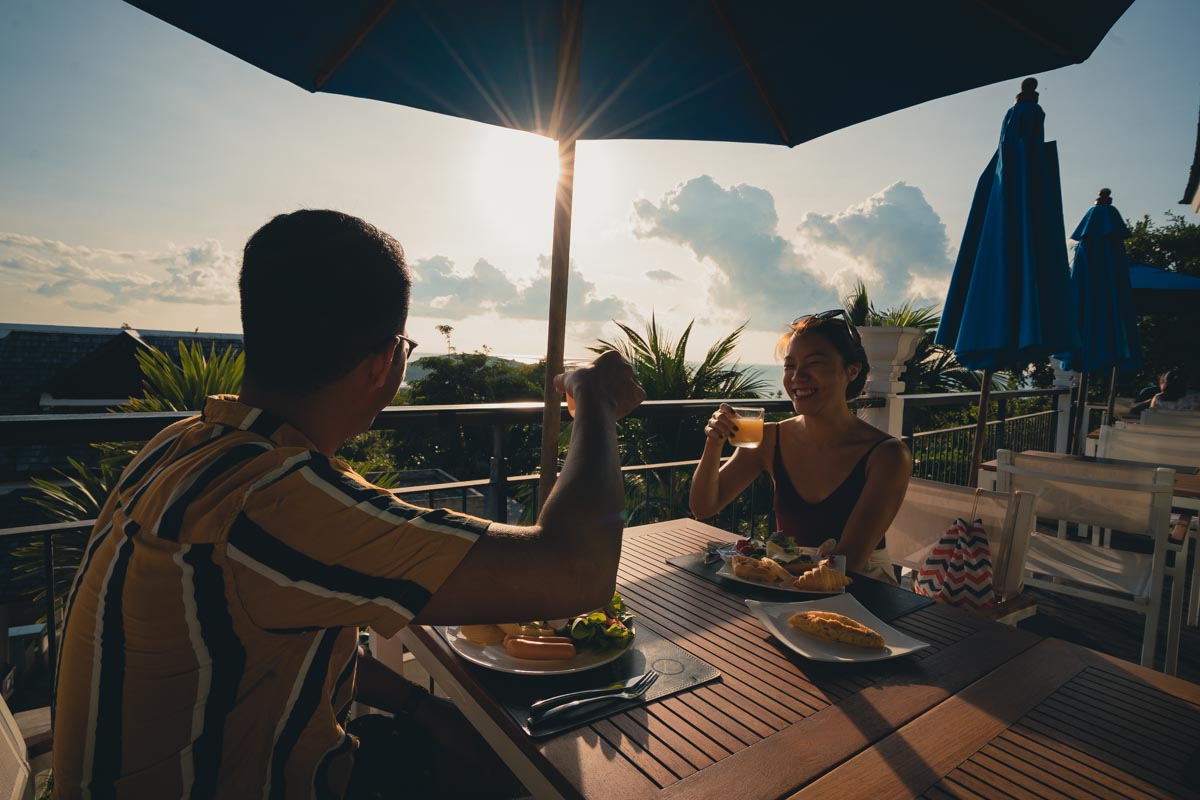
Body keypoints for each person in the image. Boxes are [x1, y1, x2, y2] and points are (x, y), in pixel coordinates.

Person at [51, 210, 645, 800]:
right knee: (521, 772)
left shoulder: (186, 445)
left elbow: (280, 638)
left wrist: (420, 707)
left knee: (474, 750)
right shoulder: (270, 502)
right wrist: (592, 400)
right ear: (383, 362)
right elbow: (577, 572)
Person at [689, 310, 911, 583]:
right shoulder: (769, 438)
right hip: (789, 580)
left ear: (851, 371)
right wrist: (713, 443)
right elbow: (703, 506)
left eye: (814, 363)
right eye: (789, 365)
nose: (798, 376)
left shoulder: (887, 455)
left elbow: (848, 563)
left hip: (862, 587)